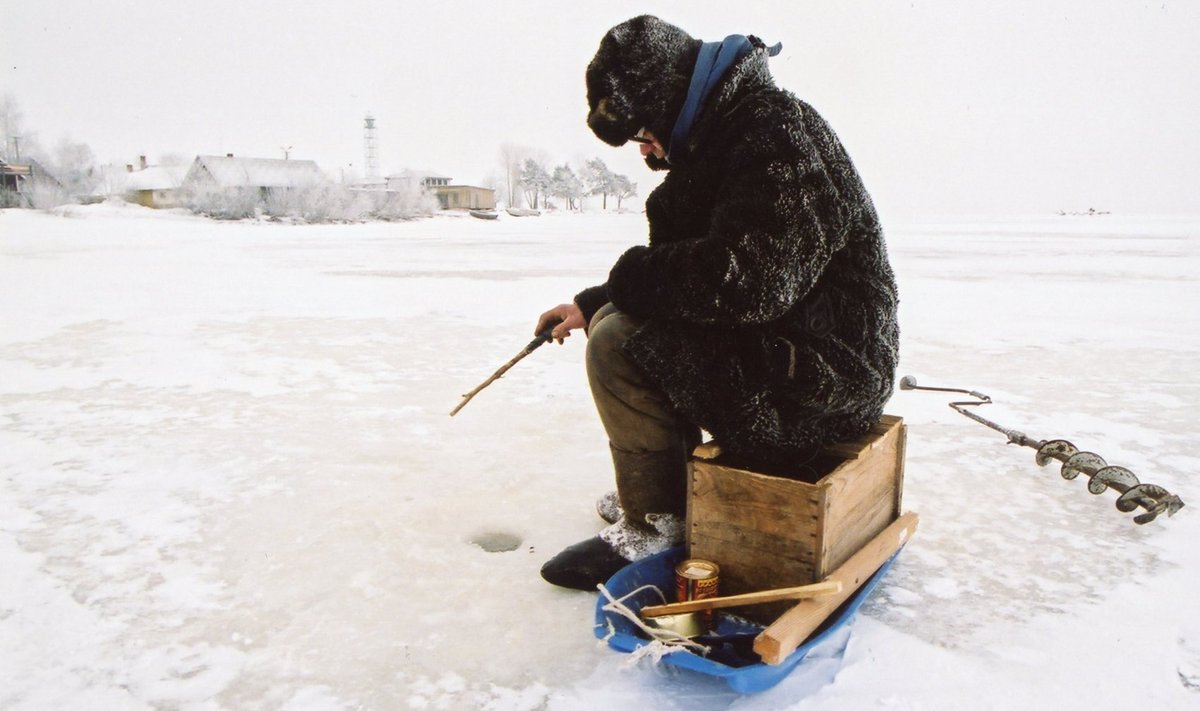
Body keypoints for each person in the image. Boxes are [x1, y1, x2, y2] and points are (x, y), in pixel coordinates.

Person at [536, 15, 899, 590]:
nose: (644, 148)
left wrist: (627, 281)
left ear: (667, 100)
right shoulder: (730, 137)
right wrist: (592, 301)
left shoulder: (777, 134)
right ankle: (666, 496)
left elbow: (749, 281)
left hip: (826, 376)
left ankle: (659, 523)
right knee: (612, 320)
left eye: (643, 131)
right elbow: (701, 266)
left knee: (621, 341)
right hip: (789, 348)